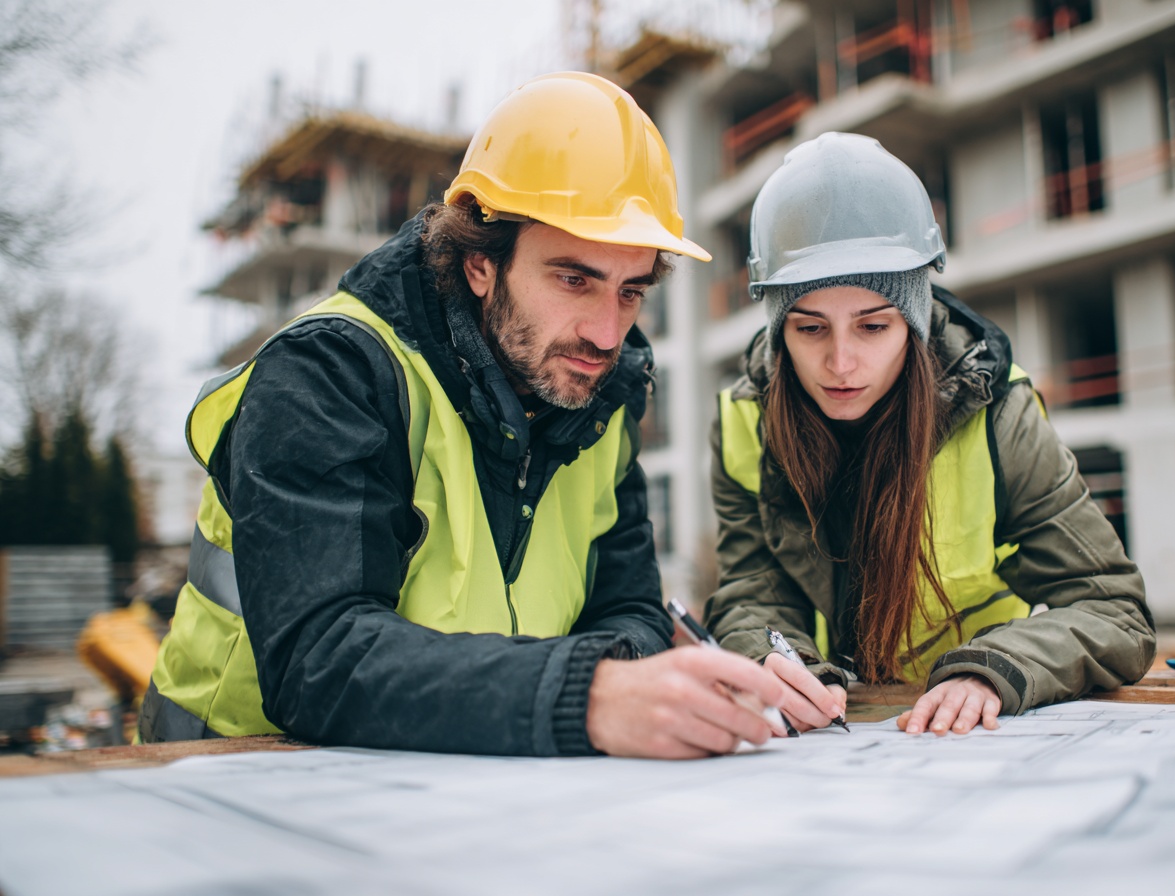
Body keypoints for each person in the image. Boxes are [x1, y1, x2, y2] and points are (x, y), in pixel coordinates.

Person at [140, 72, 786, 759]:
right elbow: (320, 661)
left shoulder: (602, 395)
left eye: (630, 291)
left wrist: (637, 680)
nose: (606, 332)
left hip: (460, 790)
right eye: (575, 279)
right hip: (225, 787)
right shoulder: (328, 374)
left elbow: (627, 606)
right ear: (481, 262)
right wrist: (587, 695)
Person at [706, 132, 1155, 736]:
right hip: (821, 753)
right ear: (779, 329)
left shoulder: (1000, 415)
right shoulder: (742, 423)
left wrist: (994, 670)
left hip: (965, 742)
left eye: (873, 326)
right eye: (811, 329)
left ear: (913, 323)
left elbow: (1115, 612)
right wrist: (770, 660)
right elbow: (751, 590)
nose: (841, 362)